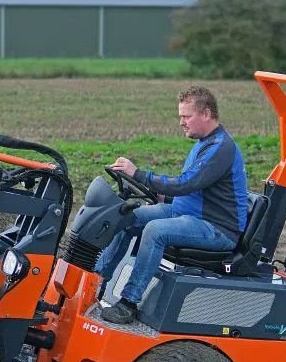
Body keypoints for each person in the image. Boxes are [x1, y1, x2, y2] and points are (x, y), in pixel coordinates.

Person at [96, 85, 249, 324]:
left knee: (155, 231)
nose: (181, 122)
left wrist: (139, 174)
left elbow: (186, 184)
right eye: (181, 117)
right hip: (190, 214)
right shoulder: (206, 144)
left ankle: (128, 303)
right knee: (127, 216)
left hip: (216, 228)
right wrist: (164, 197)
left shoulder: (221, 148)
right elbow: (195, 190)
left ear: (206, 114)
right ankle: (96, 282)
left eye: (186, 116)